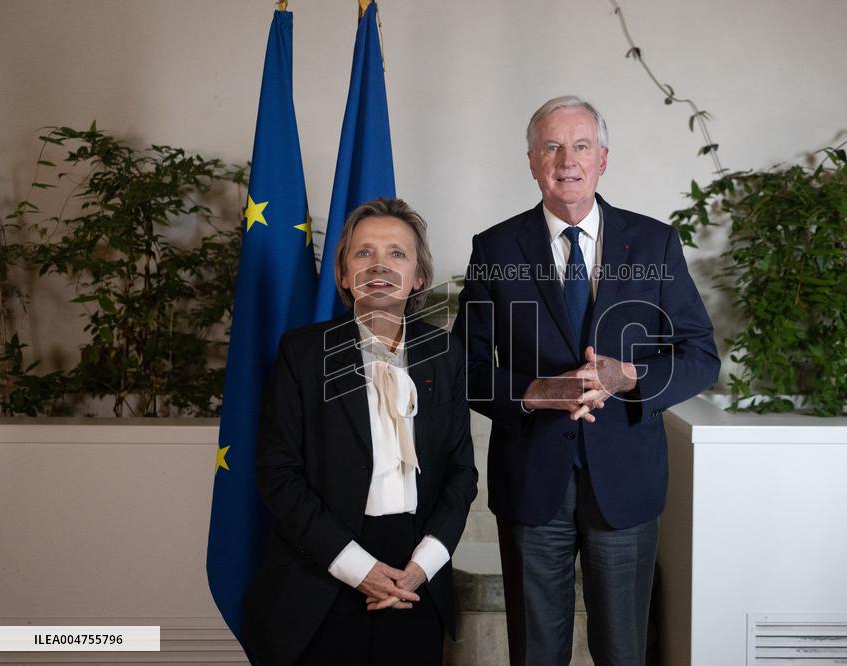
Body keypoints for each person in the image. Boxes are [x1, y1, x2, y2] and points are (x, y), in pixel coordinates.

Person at [453, 96, 720, 665]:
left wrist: (629, 376)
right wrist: (534, 391)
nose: (566, 159)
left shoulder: (654, 243)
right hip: (531, 482)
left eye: (580, 146)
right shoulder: (495, 248)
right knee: (536, 653)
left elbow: (700, 355)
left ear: (603, 159)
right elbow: (466, 370)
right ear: (531, 161)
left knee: (622, 652)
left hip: (625, 482)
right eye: (551, 146)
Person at [244, 198, 478, 666]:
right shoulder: (303, 353)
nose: (380, 265)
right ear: (344, 275)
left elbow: (461, 473)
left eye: (397, 253)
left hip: (417, 575)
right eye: (363, 252)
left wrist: (420, 569)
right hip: (325, 572)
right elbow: (279, 474)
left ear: (418, 277)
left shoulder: (446, 353)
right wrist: (360, 569)